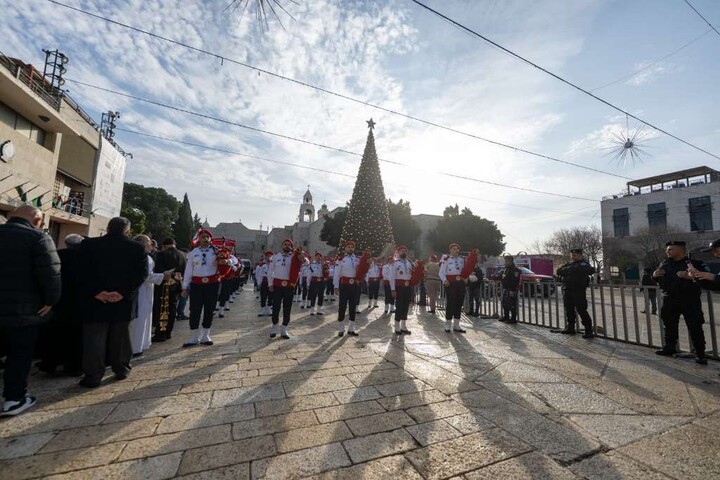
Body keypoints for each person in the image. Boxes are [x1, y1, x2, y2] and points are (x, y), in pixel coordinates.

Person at [0, 206, 61, 415]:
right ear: (36, 220)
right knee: (19, 355)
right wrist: (51, 301)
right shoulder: (38, 238)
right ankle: (14, 399)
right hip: (24, 310)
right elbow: (51, 274)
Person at [78, 217, 147, 388]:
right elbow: (141, 274)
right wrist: (122, 293)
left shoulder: (89, 245)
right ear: (127, 230)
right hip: (122, 301)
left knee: (94, 339)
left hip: (95, 301)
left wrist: (96, 292)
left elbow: (79, 271)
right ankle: (121, 368)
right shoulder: (136, 248)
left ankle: (93, 375)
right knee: (121, 337)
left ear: (108, 228)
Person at [653, 240, 710, 364]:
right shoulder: (665, 263)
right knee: (669, 325)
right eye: (667, 250)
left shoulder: (694, 263)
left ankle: (700, 354)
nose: (667, 251)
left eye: (671, 249)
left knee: (695, 326)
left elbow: (707, 277)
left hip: (689, 300)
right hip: (669, 299)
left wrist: (689, 276)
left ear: (680, 250)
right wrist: (655, 275)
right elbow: (659, 279)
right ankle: (669, 348)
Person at [37, 233, 84, 376]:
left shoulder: (57, 254)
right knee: (75, 336)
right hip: (78, 301)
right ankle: (73, 366)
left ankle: (49, 364)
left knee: (55, 333)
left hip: (58, 300)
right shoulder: (86, 258)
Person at [182, 229, 225, 347]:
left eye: (207, 237)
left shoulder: (217, 252)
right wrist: (185, 286)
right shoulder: (193, 253)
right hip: (196, 285)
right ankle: (194, 336)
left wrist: (226, 261)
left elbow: (229, 260)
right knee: (194, 310)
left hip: (212, 284)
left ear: (211, 239)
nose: (205, 239)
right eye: (203, 237)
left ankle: (206, 335)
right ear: (199, 239)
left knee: (209, 309)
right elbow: (188, 270)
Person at [130, 235, 167, 356]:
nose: (151, 244)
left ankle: (138, 345)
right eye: (148, 242)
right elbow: (146, 276)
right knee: (140, 319)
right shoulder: (145, 258)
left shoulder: (133, 255)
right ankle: (136, 347)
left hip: (141, 291)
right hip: (141, 291)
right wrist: (163, 276)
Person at [551, 248, 596, 338]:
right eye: (572, 255)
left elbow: (590, 270)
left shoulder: (584, 264)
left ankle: (588, 330)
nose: (573, 257)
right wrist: (572, 269)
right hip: (567, 289)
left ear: (580, 255)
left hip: (578, 290)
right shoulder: (570, 264)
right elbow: (559, 271)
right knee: (569, 310)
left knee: (581, 310)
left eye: (575, 255)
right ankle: (570, 328)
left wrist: (569, 270)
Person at [152, 238, 186, 342]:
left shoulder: (161, 254)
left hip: (163, 285)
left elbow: (158, 269)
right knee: (172, 308)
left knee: (162, 308)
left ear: (164, 246)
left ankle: (160, 333)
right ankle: (168, 332)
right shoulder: (182, 255)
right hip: (176, 285)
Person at [268, 239, 304, 339]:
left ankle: (284, 328)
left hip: (289, 285)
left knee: (287, 307)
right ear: (281, 246)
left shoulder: (295, 256)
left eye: (289, 244)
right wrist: (270, 284)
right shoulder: (276, 257)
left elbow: (306, 262)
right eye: (285, 244)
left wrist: (302, 256)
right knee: (276, 306)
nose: (287, 246)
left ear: (292, 247)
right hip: (277, 285)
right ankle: (275, 326)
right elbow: (270, 270)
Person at [334, 241, 361, 337]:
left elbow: (362, 270)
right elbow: (336, 273)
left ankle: (351, 328)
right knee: (342, 306)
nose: (350, 248)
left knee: (353, 306)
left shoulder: (357, 259)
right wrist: (336, 286)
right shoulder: (341, 259)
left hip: (354, 285)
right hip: (344, 285)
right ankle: (341, 328)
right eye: (348, 247)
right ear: (345, 248)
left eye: (352, 247)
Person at [439, 243, 467, 333]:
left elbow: (465, 271)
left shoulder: (462, 259)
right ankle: (448, 324)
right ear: (450, 250)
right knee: (451, 303)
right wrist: (444, 280)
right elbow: (441, 272)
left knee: (459, 303)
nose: (456, 250)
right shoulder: (446, 259)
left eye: (457, 249)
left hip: (460, 283)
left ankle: (456, 325)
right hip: (450, 284)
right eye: (454, 249)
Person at [391, 246, 412, 334]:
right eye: (402, 251)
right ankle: (397, 326)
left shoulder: (409, 263)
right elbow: (392, 277)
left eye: (405, 251)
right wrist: (393, 289)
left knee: (406, 305)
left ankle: (403, 326)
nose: (404, 252)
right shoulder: (395, 263)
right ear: (398, 252)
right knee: (399, 306)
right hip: (399, 287)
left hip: (407, 286)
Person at [498, 255, 520, 324]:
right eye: (505, 261)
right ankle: (506, 317)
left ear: (510, 261)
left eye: (506, 261)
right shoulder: (506, 269)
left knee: (512, 304)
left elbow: (515, 281)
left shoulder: (515, 270)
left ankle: (513, 319)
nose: (505, 262)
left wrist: (512, 290)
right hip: (505, 288)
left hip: (511, 289)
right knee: (505, 303)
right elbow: (502, 277)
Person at [257, 251, 273, 317]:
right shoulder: (263, 265)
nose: (269, 257)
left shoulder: (274, 265)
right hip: (264, 282)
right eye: (267, 256)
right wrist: (259, 283)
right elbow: (260, 275)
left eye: (270, 256)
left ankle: (269, 309)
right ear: (265, 257)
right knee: (263, 296)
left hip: (271, 282)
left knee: (271, 296)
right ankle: (262, 310)